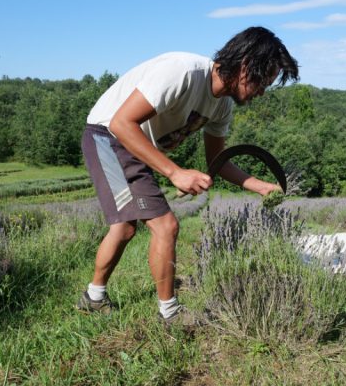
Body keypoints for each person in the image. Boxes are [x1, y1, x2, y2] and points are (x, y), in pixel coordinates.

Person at [77, 26, 299, 325]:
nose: (262, 92)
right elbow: (121, 123)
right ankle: (170, 314)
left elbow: (217, 161)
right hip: (109, 135)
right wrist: (175, 172)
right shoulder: (182, 72)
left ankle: (93, 298)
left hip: (132, 142)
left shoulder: (222, 106)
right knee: (165, 226)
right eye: (262, 82)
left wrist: (261, 187)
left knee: (125, 228)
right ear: (245, 66)